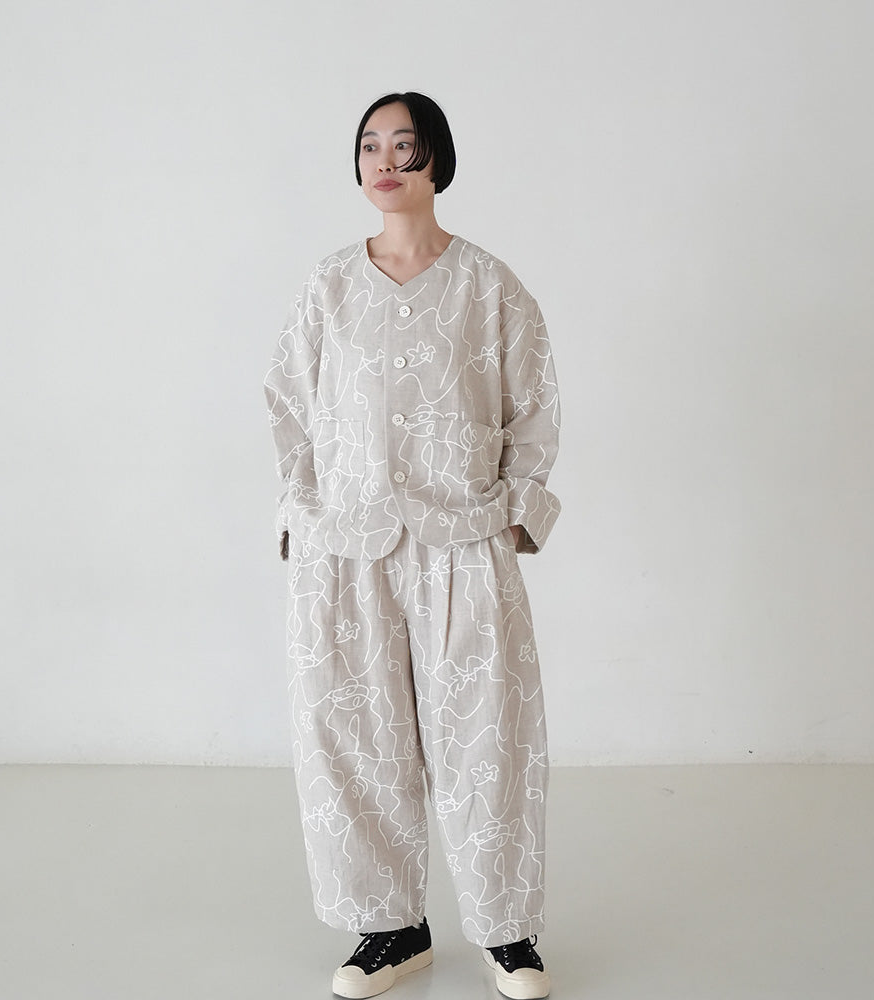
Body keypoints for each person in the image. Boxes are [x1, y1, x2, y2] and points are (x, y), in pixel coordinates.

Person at [264, 91, 560, 1000]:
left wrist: (517, 515)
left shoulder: (488, 285)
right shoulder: (327, 286)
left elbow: (532, 405)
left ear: (438, 160)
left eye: (405, 144)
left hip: (462, 543)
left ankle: (507, 933)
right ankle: (391, 928)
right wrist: (301, 512)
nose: (385, 161)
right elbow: (289, 405)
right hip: (346, 549)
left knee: (488, 737)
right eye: (370, 146)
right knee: (353, 736)